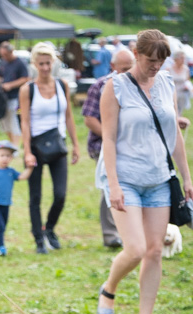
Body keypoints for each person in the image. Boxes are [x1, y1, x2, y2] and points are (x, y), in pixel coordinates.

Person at [95, 29, 193, 314]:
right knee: (135, 249)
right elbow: (108, 138)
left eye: (161, 61)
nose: (155, 66)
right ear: (136, 55)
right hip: (126, 179)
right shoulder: (115, 87)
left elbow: (174, 135)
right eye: (150, 60)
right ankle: (109, 289)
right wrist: (113, 184)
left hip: (159, 179)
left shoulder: (166, 84)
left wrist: (187, 177)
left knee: (154, 252)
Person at [19, 42, 80, 254]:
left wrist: (75, 144)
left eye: (48, 63)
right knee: (35, 196)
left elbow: (69, 116)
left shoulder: (62, 85)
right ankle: (38, 239)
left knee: (60, 194)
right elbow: (25, 122)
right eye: (41, 64)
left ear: (53, 63)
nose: (45, 68)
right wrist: (27, 151)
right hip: (36, 146)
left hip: (57, 144)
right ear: (35, 64)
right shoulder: (28, 90)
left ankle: (50, 228)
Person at [82, 48, 136, 248]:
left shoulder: (137, 87)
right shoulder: (101, 86)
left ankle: (130, 232)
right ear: (112, 67)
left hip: (132, 146)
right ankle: (111, 234)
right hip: (103, 145)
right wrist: (110, 137)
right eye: (123, 69)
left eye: (130, 68)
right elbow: (89, 119)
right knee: (111, 186)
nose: (127, 72)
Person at [0, 42, 29, 146]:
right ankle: (12, 143)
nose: (4, 57)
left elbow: (26, 78)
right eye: (2, 55)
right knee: (5, 123)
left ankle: (16, 145)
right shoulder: (3, 62)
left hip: (16, 97)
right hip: (4, 98)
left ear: (11, 51)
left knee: (14, 122)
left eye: (6, 55)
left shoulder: (20, 63)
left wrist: (11, 85)